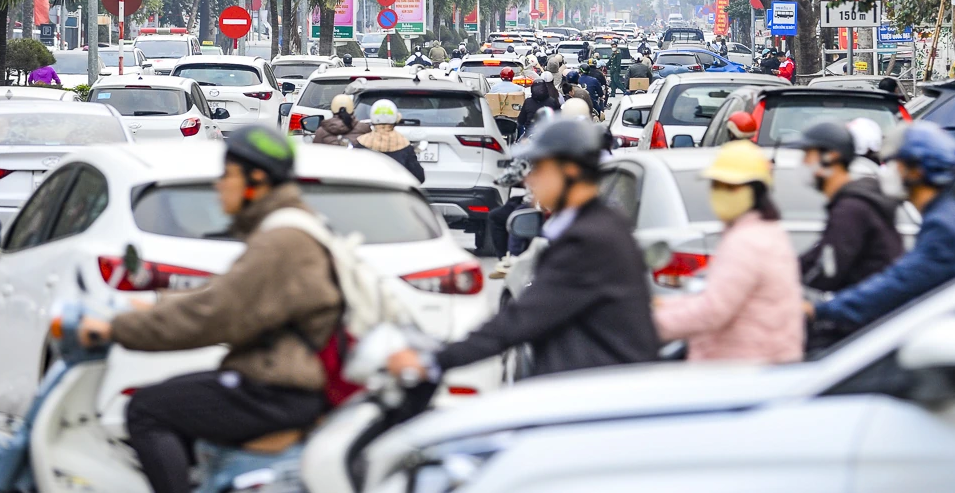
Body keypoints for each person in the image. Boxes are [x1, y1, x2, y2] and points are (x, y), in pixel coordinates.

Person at [77, 127, 341, 493]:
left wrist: (117, 329)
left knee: (148, 410)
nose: (218, 185)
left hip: (280, 389)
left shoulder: (282, 240)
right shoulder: (284, 228)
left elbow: (214, 313)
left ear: (257, 179)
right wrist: (152, 304)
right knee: (177, 402)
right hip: (278, 380)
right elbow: (226, 293)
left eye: (227, 174)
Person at [387, 117, 661, 380]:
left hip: (593, 393)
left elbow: (523, 318)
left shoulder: (588, 240)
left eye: (539, 168)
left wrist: (435, 360)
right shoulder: (601, 224)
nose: (530, 179)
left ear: (571, 170)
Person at [806, 122, 955, 335]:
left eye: (895, 164)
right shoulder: (943, 214)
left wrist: (823, 311)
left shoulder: (942, 227)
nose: (888, 172)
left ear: (916, 171)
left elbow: (898, 284)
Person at [653, 141, 803, 363]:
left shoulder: (746, 242)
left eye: (731, 187)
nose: (722, 194)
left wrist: (649, 324)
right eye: (717, 186)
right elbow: (719, 296)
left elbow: (712, 310)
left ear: (755, 190)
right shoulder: (764, 232)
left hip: (742, 371)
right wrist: (666, 305)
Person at [791, 123, 903, 294]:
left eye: (807, 155)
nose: (803, 163)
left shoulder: (850, 210)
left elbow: (827, 270)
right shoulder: (852, 202)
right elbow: (817, 256)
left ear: (830, 156)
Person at [353, 99, 425, 182]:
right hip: (395, 191)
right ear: (395, 118)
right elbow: (419, 177)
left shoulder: (361, 143)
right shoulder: (404, 144)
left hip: (369, 191)